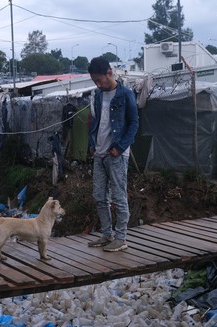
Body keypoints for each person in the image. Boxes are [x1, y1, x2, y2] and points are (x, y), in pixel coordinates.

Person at [86, 57, 139, 252]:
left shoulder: (125, 94)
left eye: (99, 80)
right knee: (99, 196)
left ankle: (121, 237)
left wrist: (120, 146)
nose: (98, 84)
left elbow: (134, 124)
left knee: (118, 196)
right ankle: (107, 234)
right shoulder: (98, 96)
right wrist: (92, 144)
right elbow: (96, 122)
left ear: (110, 73)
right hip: (99, 154)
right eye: (95, 81)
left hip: (116, 154)